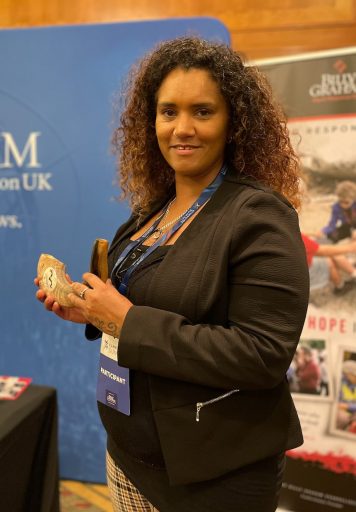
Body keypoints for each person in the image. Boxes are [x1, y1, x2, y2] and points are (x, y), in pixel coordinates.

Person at [35, 37, 309, 512]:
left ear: (233, 123)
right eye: (168, 112)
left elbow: (262, 355)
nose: (182, 128)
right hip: (128, 455)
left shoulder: (260, 216)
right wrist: (88, 308)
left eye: (202, 111)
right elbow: (139, 300)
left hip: (215, 478)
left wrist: (126, 320)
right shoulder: (151, 212)